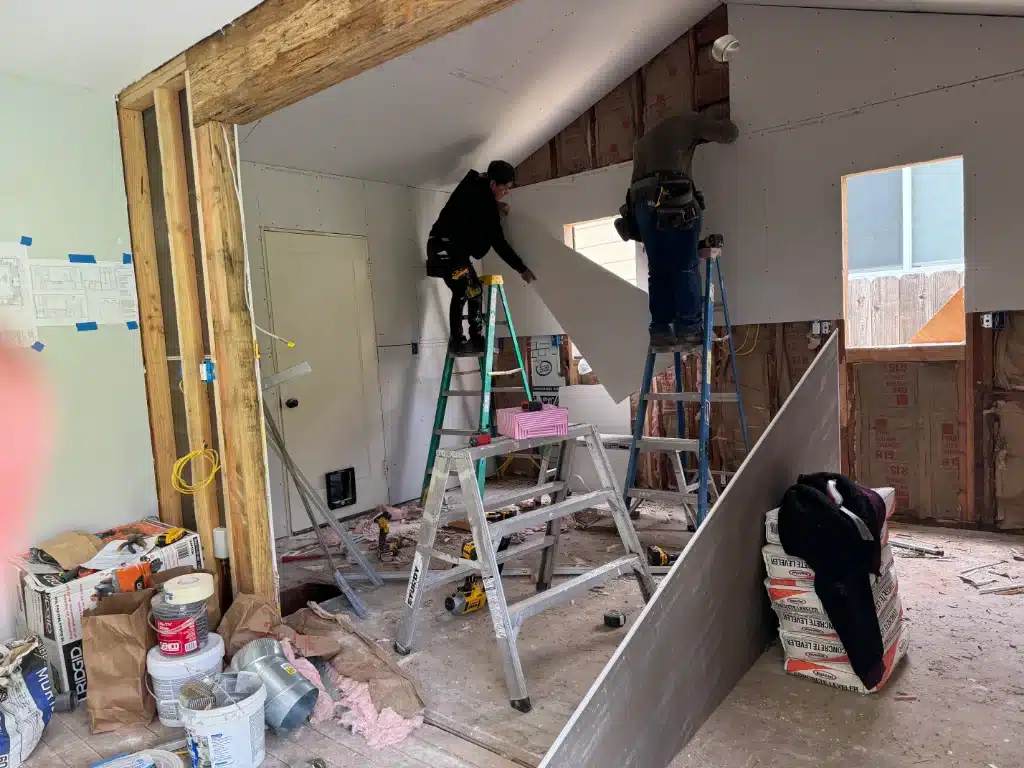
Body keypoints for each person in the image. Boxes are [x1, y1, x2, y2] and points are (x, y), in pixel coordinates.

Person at [621, 110, 739, 351]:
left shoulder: (643, 141)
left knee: (659, 271)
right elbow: (730, 134)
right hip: (672, 196)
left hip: (641, 207)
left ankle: (661, 332)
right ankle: (689, 330)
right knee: (685, 266)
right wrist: (705, 128)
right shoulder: (688, 121)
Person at [427, 160, 537, 356]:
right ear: (493, 184)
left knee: (470, 290)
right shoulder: (483, 200)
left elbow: (473, 204)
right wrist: (521, 269)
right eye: (505, 188)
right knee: (469, 291)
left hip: (445, 247)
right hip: (445, 249)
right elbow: (498, 242)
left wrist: (496, 204)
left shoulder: (475, 184)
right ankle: (463, 342)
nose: (507, 192)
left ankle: (470, 340)